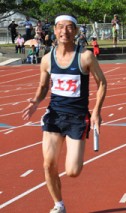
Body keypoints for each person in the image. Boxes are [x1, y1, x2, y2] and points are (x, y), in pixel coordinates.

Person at [22, 13, 107, 213]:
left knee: (73, 171)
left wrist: (96, 112)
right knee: (48, 165)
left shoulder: (85, 56)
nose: (64, 31)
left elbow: (102, 82)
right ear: (54, 30)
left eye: (69, 27)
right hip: (54, 116)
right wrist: (35, 101)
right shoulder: (47, 59)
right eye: (60, 27)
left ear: (76, 31)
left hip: (77, 119)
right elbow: (43, 87)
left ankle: (71, 163)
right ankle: (58, 205)